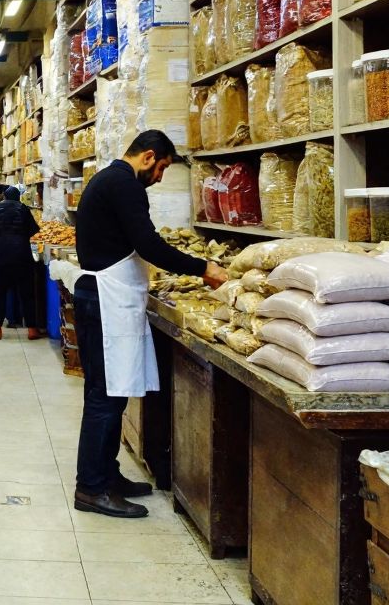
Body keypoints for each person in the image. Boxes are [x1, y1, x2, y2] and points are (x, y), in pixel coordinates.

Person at [73, 130, 228, 519]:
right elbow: (149, 245)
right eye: (160, 169)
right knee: (104, 400)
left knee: (114, 394)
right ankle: (90, 488)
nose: (159, 178)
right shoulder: (124, 185)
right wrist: (203, 268)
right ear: (147, 157)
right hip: (105, 301)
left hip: (107, 299)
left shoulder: (110, 180)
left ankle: (107, 475)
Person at [0, 186, 42, 341]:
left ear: (4, 196)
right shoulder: (22, 208)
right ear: (18, 197)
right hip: (21, 256)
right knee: (27, 293)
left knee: (0, 292)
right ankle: (31, 330)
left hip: (0, 256)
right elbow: (33, 230)